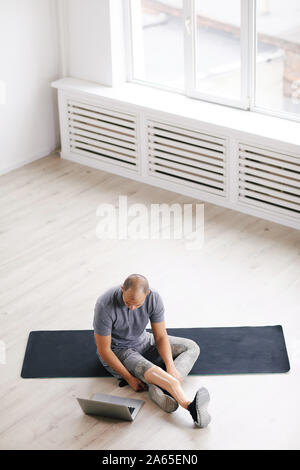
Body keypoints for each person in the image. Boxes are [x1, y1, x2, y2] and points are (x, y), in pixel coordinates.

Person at [93, 274, 211, 428]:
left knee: (191, 347)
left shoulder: (154, 298)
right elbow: (104, 350)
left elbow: (161, 336)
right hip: (120, 351)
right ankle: (190, 406)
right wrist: (129, 378)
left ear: (147, 294)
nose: (132, 308)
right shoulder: (104, 304)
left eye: (137, 304)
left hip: (144, 340)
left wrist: (170, 366)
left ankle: (160, 389)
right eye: (128, 302)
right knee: (149, 370)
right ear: (122, 289)